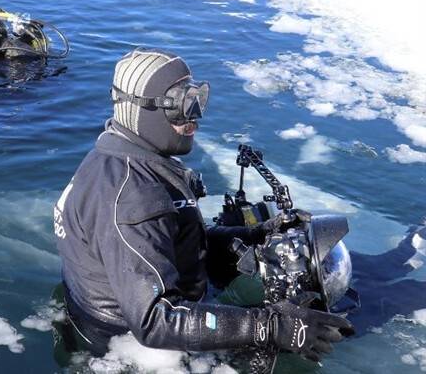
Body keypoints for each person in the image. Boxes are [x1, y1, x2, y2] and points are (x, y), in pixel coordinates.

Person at [53, 49, 354, 363]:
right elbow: (156, 320)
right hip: (135, 352)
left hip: (142, 313)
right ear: (143, 108)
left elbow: (169, 241)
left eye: (196, 98)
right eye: (182, 104)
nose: (194, 115)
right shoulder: (133, 198)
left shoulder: (119, 159)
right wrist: (270, 327)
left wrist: (259, 234)